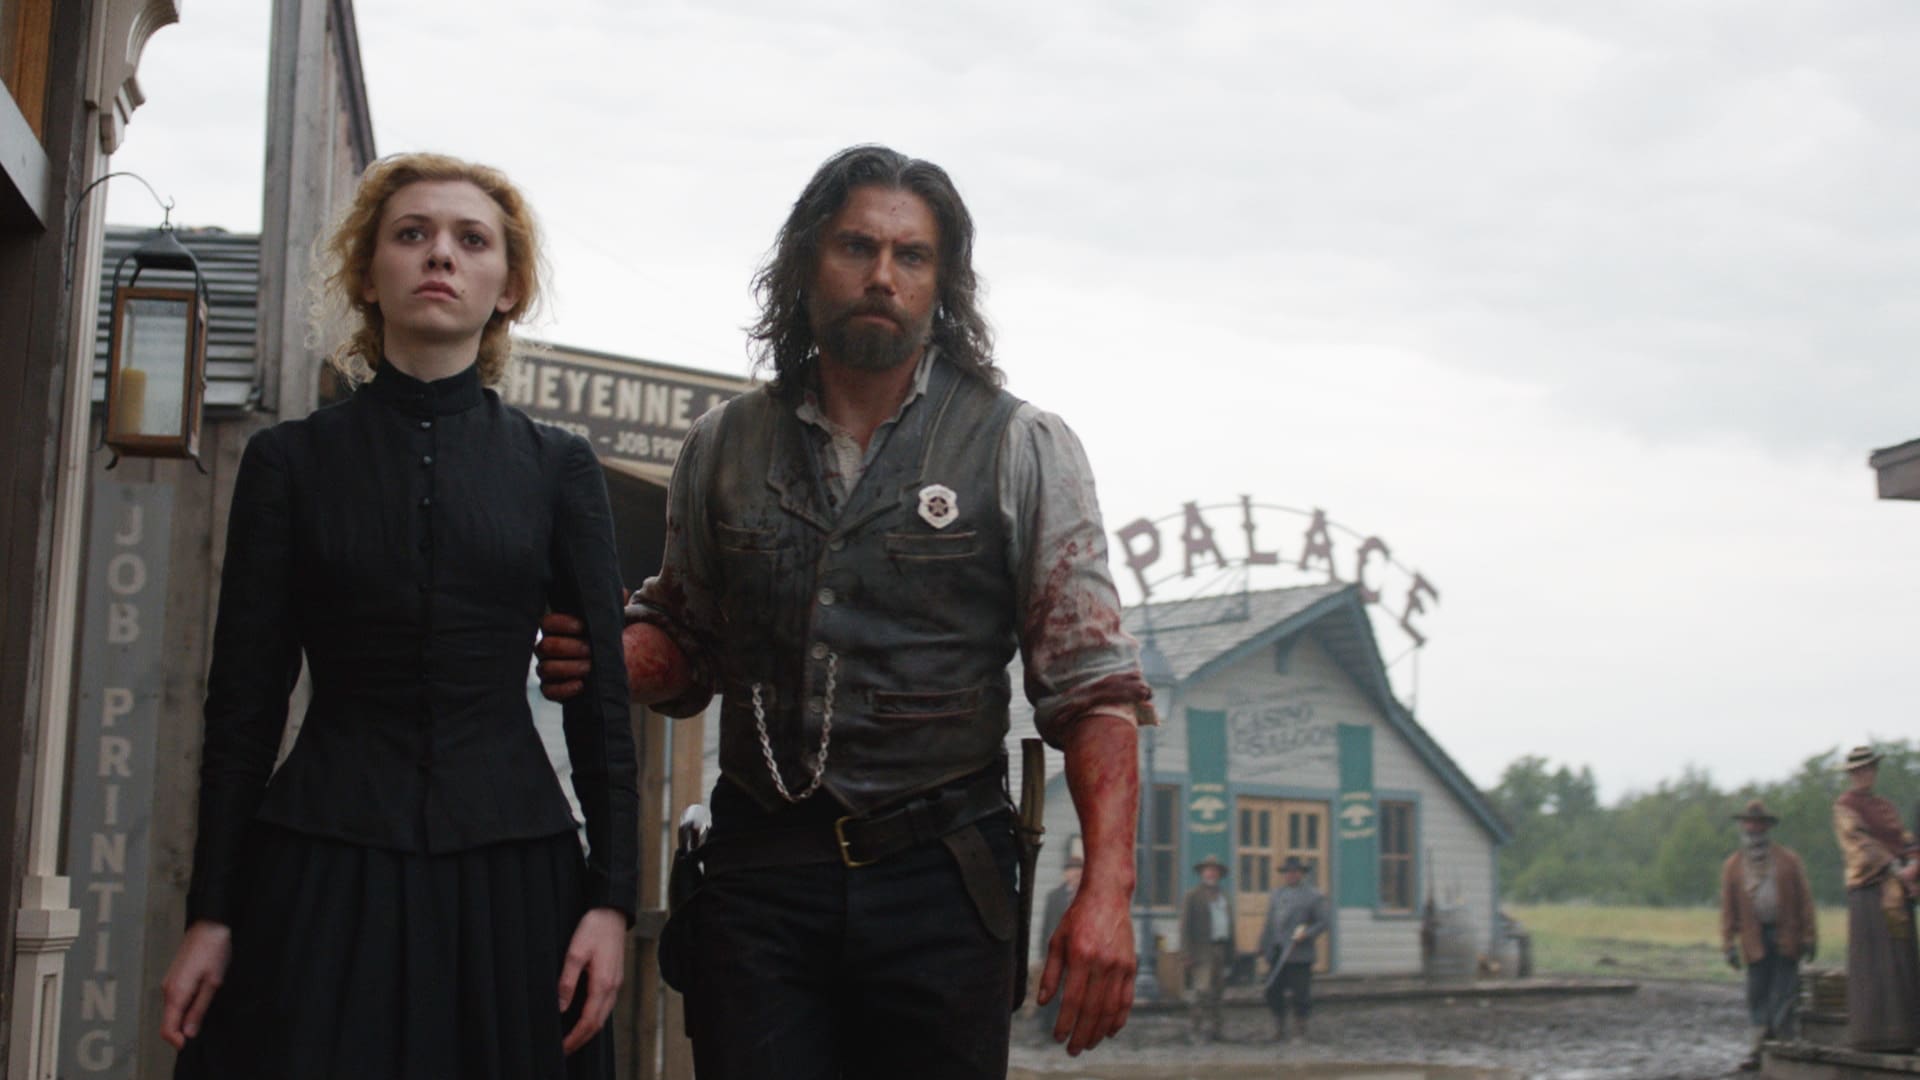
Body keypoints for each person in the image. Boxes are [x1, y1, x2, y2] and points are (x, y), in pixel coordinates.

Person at [536, 144, 1154, 1077]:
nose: (882, 276)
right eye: (857, 246)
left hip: (943, 880)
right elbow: (690, 638)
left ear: (943, 283)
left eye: (912, 255)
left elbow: (1093, 688)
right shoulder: (722, 444)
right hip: (760, 877)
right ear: (805, 263)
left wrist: (1108, 889)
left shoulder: (1022, 444)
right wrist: (613, 657)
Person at [158, 153, 639, 1080]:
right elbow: (244, 703)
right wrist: (211, 911)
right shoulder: (288, 463)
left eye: (472, 240)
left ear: (508, 288)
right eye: (412, 234)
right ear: (368, 275)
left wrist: (612, 902)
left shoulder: (558, 467)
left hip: (514, 877)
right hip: (321, 866)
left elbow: (601, 706)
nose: (440, 255)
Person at [1833, 745, 1920, 1053]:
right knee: (1875, 962)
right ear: (1851, 774)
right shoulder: (1845, 806)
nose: (1864, 775)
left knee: (1901, 961)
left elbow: (1904, 838)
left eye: (1869, 769)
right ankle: (1873, 1034)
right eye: (1858, 771)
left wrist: (1912, 868)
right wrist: (1896, 868)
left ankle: (1905, 1034)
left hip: (1898, 891)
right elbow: (1860, 846)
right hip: (1870, 892)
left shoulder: (1884, 806)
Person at [1720, 798, 1816, 1070]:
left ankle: (1784, 1046)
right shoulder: (1733, 866)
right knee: (1757, 993)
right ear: (1743, 827)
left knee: (1786, 991)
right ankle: (1758, 1049)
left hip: (1787, 935)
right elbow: (1728, 909)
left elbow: (1805, 901)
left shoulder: (1788, 860)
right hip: (1754, 939)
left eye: (1759, 824)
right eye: (1750, 824)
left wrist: (1809, 936)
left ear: (1767, 827)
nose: (1754, 829)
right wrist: (1728, 944)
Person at [1257, 855, 1327, 1042]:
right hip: (1278, 952)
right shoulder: (1276, 895)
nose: (1291, 875)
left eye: (1295, 872)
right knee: (1272, 990)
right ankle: (1279, 1027)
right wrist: (1263, 944)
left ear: (1301, 874)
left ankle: (1300, 1029)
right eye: (1288, 872)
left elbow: (1323, 922)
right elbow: (1269, 923)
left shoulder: (1314, 896)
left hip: (1299, 954)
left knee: (1300, 994)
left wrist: (1306, 934)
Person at [1181, 854, 1235, 1042]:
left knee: (1218, 992)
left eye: (1215, 870)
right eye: (1208, 870)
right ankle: (1195, 1031)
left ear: (1219, 874)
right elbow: (1185, 927)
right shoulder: (1192, 896)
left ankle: (1216, 1031)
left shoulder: (1224, 897)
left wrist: (1231, 952)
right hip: (1201, 952)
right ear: (1202, 873)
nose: (1211, 873)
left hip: (1221, 949)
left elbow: (1230, 926)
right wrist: (1186, 954)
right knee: (1201, 992)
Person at [1035, 853, 1084, 1032]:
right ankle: (1046, 1026)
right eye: (1071, 871)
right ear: (1065, 874)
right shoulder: (1054, 897)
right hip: (1058, 953)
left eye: (1078, 871)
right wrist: (1043, 954)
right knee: (1052, 989)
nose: (1075, 875)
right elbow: (1046, 926)